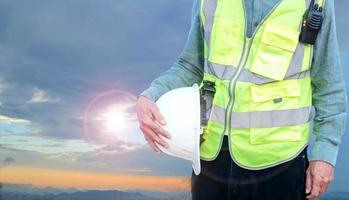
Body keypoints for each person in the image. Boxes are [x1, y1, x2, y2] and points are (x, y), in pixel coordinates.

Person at [136, 0, 347, 199]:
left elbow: (329, 87)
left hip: (280, 164)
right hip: (211, 161)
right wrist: (151, 95)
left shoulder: (314, 3)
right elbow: (190, 65)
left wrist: (325, 155)